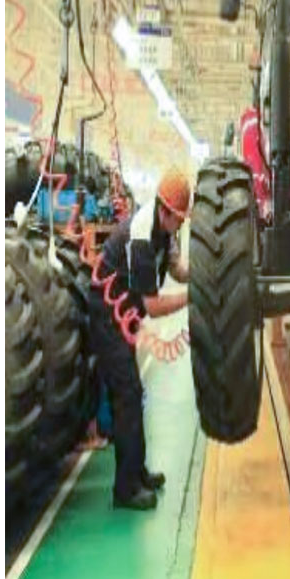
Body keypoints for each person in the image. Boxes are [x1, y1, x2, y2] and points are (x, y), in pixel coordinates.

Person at [88, 168, 191, 510]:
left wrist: (206, 272)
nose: (181, 224)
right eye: (179, 219)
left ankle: (137, 472)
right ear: (166, 211)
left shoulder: (165, 231)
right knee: (127, 394)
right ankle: (125, 489)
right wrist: (193, 298)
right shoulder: (143, 234)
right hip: (108, 312)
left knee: (134, 392)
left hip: (125, 314)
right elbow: (154, 306)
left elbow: (177, 269)